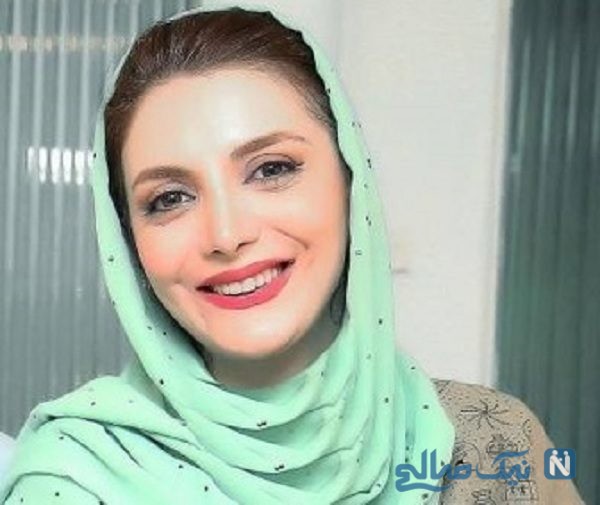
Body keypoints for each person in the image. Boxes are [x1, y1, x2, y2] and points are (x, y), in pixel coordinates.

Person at [0, 5, 583, 504]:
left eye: (272, 169)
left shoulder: (498, 445)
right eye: (170, 198)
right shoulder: (73, 477)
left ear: (351, 182)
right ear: (128, 240)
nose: (226, 234)